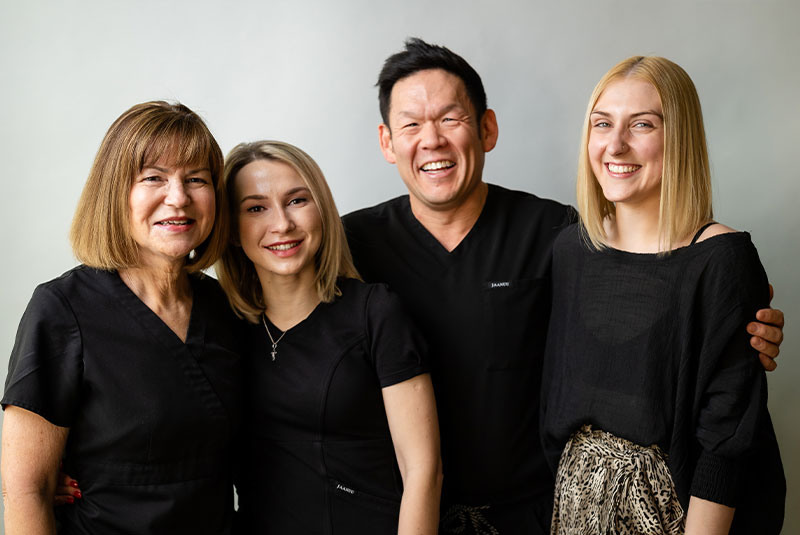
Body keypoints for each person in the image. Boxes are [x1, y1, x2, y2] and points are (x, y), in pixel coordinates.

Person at [343, 38, 786, 533]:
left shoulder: (554, 234)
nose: (432, 140)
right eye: (411, 124)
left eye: (451, 119)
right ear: (387, 141)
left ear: (487, 128)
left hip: (535, 514)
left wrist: (741, 328)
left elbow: (662, 323)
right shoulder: (347, 250)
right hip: (398, 513)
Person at [541, 56, 785, 534]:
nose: (616, 144)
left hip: (678, 514)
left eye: (642, 124)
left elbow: (726, 439)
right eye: (602, 124)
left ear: (680, 138)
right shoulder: (571, 248)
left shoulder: (721, 260)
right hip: (573, 510)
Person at [1, 101, 242, 534]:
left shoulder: (224, 306)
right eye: (154, 178)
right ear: (115, 192)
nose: (179, 197)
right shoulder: (62, 309)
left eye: (196, 179)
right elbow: (26, 491)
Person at [216, 140, 442, 534]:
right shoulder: (221, 325)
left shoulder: (375, 312)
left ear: (322, 208)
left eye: (297, 201)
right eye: (256, 208)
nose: (282, 224)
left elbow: (423, 470)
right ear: (233, 230)